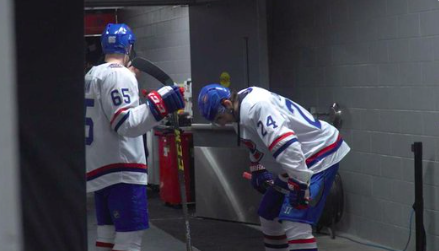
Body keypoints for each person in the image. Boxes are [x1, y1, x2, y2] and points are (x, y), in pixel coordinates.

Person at [197, 84, 350, 251]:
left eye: (219, 118)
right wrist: (258, 167)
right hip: (295, 162)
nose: (220, 124)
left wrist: (300, 184)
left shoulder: (256, 106)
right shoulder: (239, 108)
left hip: (316, 156)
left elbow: (287, 145)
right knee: (269, 215)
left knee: (296, 224)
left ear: (227, 103)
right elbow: (255, 141)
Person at [85, 23, 184, 251]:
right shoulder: (120, 75)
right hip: (122, 169)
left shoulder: (92, 73)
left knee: (106, 235)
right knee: (130, 239)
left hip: (100, 167)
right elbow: (125, 123)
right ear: (129, 47)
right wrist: (161, 103)